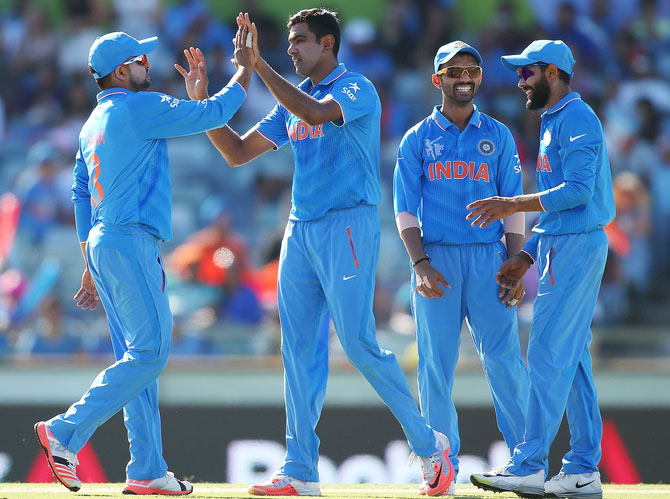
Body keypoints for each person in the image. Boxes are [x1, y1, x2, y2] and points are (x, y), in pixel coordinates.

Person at [178, 9, 454, 497]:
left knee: (358, 343)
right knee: (298, 350)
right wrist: (203, 108)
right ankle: (301, 469)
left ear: (328, 44)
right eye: (288, 42)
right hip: (300, 229)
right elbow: (237, 152)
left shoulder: (355, 88)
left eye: (299, 41)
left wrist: (258, 67)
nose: (291, 49)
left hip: (348, 224)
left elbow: (316, 113)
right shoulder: (292, 101)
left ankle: (430, 447)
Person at [33, 28, 254, 495]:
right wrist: (246, 69)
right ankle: (65, 432)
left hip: (104, 240)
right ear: (120, 70)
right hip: (130, 240)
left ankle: (147, 470)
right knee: (150, 354)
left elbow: (78, 194)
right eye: (140, 60)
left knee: (138, 361)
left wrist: (89, 259)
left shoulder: (93, 121)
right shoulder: (139, 106)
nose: (147, 67)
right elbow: (217, 112)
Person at [467, 40, 615, 499]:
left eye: (527, 73)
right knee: (571, 362)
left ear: (553, 73)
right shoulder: (555, 120)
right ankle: (583, 470)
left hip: (576, 247)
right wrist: (527, 254)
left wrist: (512, 204)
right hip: (560, 245)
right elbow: (559, 208)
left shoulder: (577, 117)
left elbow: (578, 193)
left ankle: (529, 466)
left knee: (548, 354)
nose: (520, 81)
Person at [393, 40, 530, 494]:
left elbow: (513, 205)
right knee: (435, 364)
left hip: (489, 259)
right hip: (438, 259)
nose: (464, 77)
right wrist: (420, 264)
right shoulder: (417, 139)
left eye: (471, 69)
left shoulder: (499, 135)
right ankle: (440, 463)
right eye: (454, 71)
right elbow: (405, 211)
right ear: (438, 80)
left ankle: (526, 460)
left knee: (505, 359)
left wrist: (515, 261)